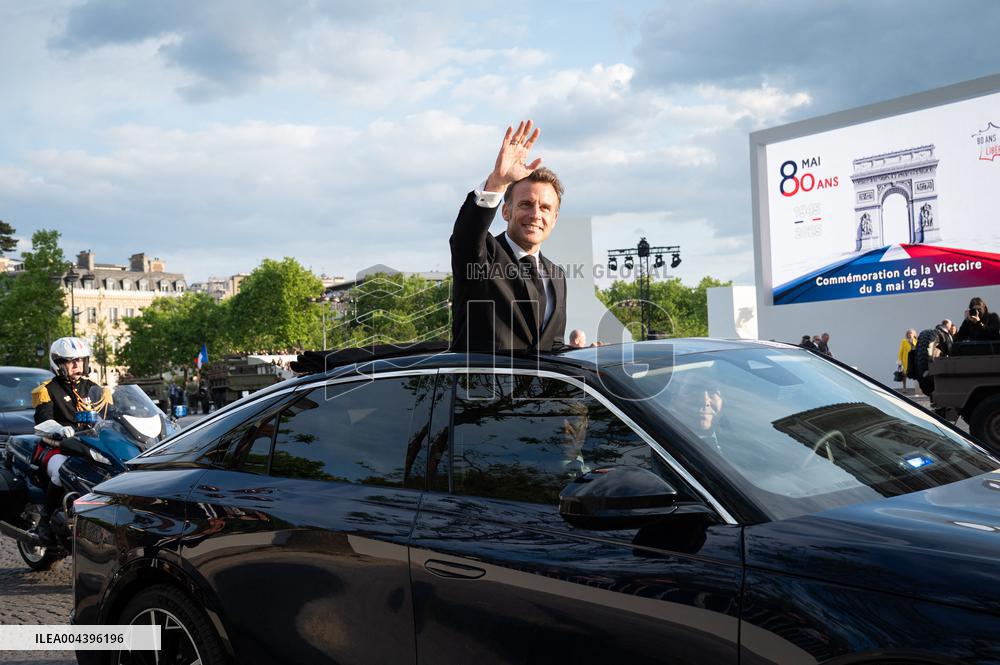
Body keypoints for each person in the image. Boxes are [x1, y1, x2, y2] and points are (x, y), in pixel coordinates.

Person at [450, 120, 567, 353]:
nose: (535, 215)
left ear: (554, 219)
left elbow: (552, 346)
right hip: (479, 388)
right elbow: (466, 236)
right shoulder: (483, 256)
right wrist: (497, 182)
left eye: (545, 208)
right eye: (526, 204)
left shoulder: (557, 275)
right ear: (506, 211)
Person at [30, 337, 104, 542]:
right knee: (61, 472)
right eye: (70, 361)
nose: (77, 365)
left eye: (80, 360)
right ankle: (44, 520)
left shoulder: (94, 389)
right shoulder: (48, 389)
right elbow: (43, 421)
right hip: (57, 448)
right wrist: (59, 429)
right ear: (58, 363)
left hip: (89, 447)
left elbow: (111, 416)